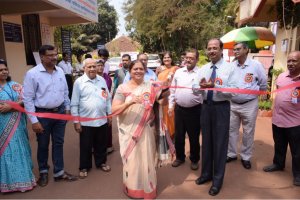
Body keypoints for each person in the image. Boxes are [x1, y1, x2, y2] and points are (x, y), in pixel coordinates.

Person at [112, 60, 169, 199]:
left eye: (141, 69)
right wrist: (130, 101)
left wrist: (166, 91)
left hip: (147, 129)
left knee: (147, 158)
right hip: (129, 131)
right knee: (132, 161)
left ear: (145, 71)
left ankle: (148, 188)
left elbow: (162, 102)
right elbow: (114, 110)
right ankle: (133, 189)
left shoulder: (151, 87)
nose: (138, 71)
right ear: (130, 71)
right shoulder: (122, 88)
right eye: (135, 69)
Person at [23, 45, 77, 187]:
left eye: (55, 54)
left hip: (59, 113)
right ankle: (43, 171)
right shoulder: (32, 74)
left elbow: (65, 91)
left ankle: (59, 172)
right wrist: (34, 121)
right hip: (42, 115)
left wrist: (67, 108)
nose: (54, 57)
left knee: (59, 143)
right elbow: (27, 99)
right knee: (43, 144)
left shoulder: (59, 71)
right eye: (50, 55)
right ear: (41, 57)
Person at [195, 39, 236, 196]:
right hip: (205, 107)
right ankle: (206, 175)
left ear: (221, 50)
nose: (211, 51)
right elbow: (194, 88)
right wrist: (200, 87)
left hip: (221, 108)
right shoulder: (203, 69)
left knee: (219, 145)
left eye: (215, 48)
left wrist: (215, 87)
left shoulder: (230, 68)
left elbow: (233, 91)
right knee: (206, 143)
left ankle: (217, 181)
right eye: (209, 48)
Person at [227, 42, 267, 169]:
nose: (235, 51)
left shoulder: (256, 65)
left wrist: (257, 94)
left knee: (248, 132)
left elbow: (263, 83)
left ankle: (245, 157)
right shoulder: (231, 66)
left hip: (249, 104)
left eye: (238, 49)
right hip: (233, 104)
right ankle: (231, 154)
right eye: (234, 50)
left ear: (246, 50)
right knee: (231, 130)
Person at [263, 51, 300, 187]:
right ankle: (278, 164)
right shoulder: (281, 76)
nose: (290, 63)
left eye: (294, 61)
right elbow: (278, 94)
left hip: (295, 122)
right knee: (279, 145)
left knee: (297, 150)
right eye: (289, 61)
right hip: (278, 119)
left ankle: (298, 174)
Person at [71, 58, 112, 178]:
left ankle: (101, 162)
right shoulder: (79, 82)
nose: (93, 69)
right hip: (86, 121)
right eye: (89, 67)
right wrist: (76, 121)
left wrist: (109, 114)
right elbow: (74, 104)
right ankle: (84, 166)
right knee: (86, 146)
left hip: (102, 119)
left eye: (94, 66)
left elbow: (107, 98)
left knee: (101, 143)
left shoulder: (102, 80)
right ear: (84, 68)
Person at [0, 59, 36, 193]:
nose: (4, 72)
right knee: (4, 151)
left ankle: (23, 180)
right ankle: (6, 183)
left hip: (17, 124)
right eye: (0, 70)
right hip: (1, 125)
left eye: (5, 69)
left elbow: (26, 99)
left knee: (18, 148)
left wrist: (11, 106)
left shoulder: (15, 85)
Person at [169, 49, 202, 170]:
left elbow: (204, 93)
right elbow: (172, 89)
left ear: (197, 60)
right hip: (179, 110)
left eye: (191, 58)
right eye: (187, 57)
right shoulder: (178, 72)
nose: (188, 60)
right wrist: (171, 105)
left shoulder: (201, 73)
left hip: (195, 110)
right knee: (179, 135)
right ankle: (180, 157)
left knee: (194, 137)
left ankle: (194, 159)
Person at [155, 51, 178, 139]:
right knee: (163, 117)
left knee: (172, 116)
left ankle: (173, 136)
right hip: (162, 97)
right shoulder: (159, 69)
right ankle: (166, 137)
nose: (166, 59)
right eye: (165, 58)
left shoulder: (176, 69)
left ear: (171, 59)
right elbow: (156, 82)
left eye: (168, 57)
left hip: (172, 97)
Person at [96, 59, 113, 154]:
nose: (100, 67)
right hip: (95, 106)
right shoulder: (93, 78)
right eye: (98, 65)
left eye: (102, 65)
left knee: (108, 126)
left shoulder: (107, 78)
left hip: (106, 103)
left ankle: (108, 146)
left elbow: (108, 92)